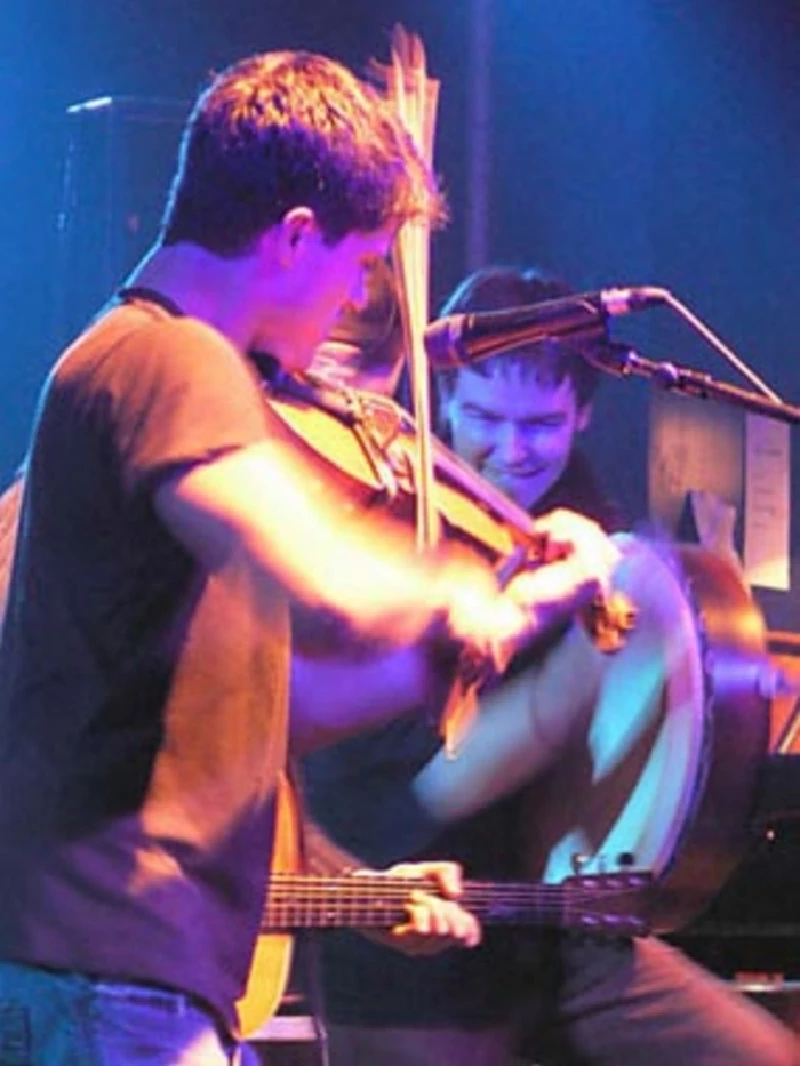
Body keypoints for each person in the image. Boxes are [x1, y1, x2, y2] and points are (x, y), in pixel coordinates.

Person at [0, 52, 621, 1066]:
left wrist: (501, 615)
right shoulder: (171, 357)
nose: (350, 299)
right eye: (357, 260)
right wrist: (468, 587)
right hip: (105, 981)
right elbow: (324, 578)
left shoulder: (150, 366)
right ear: (294, 237)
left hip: (124, 982)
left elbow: (280, 704)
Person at [302, 265, 799, 1065]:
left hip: (560, 928)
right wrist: (575, 680)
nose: (511, 449)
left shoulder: (584, 522)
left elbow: (609, 757)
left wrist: (700, 701)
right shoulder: (395, 532)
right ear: (443, 403)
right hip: (420, 940)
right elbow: (437, 786)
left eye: (540, 423)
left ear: (583, 415)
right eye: (484, 418)